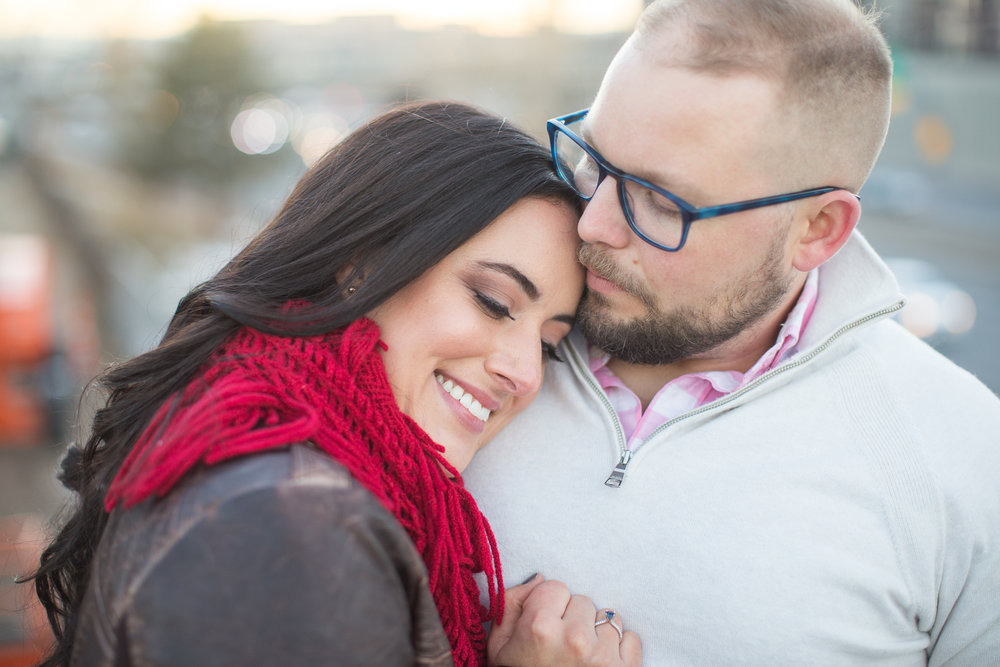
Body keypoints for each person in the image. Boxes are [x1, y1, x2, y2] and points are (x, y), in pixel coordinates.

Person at [464, 1, 1000, 664]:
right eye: (593, 161)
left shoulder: (968, 463)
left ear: (817, 230)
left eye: (663, 201)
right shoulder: (465, 343)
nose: (593, 224)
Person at [28, 101, 642, 666]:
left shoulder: (268, 449)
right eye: (493, 301)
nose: (526, 371)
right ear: (360, 259)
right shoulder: (293, 528)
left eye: (548, 344)